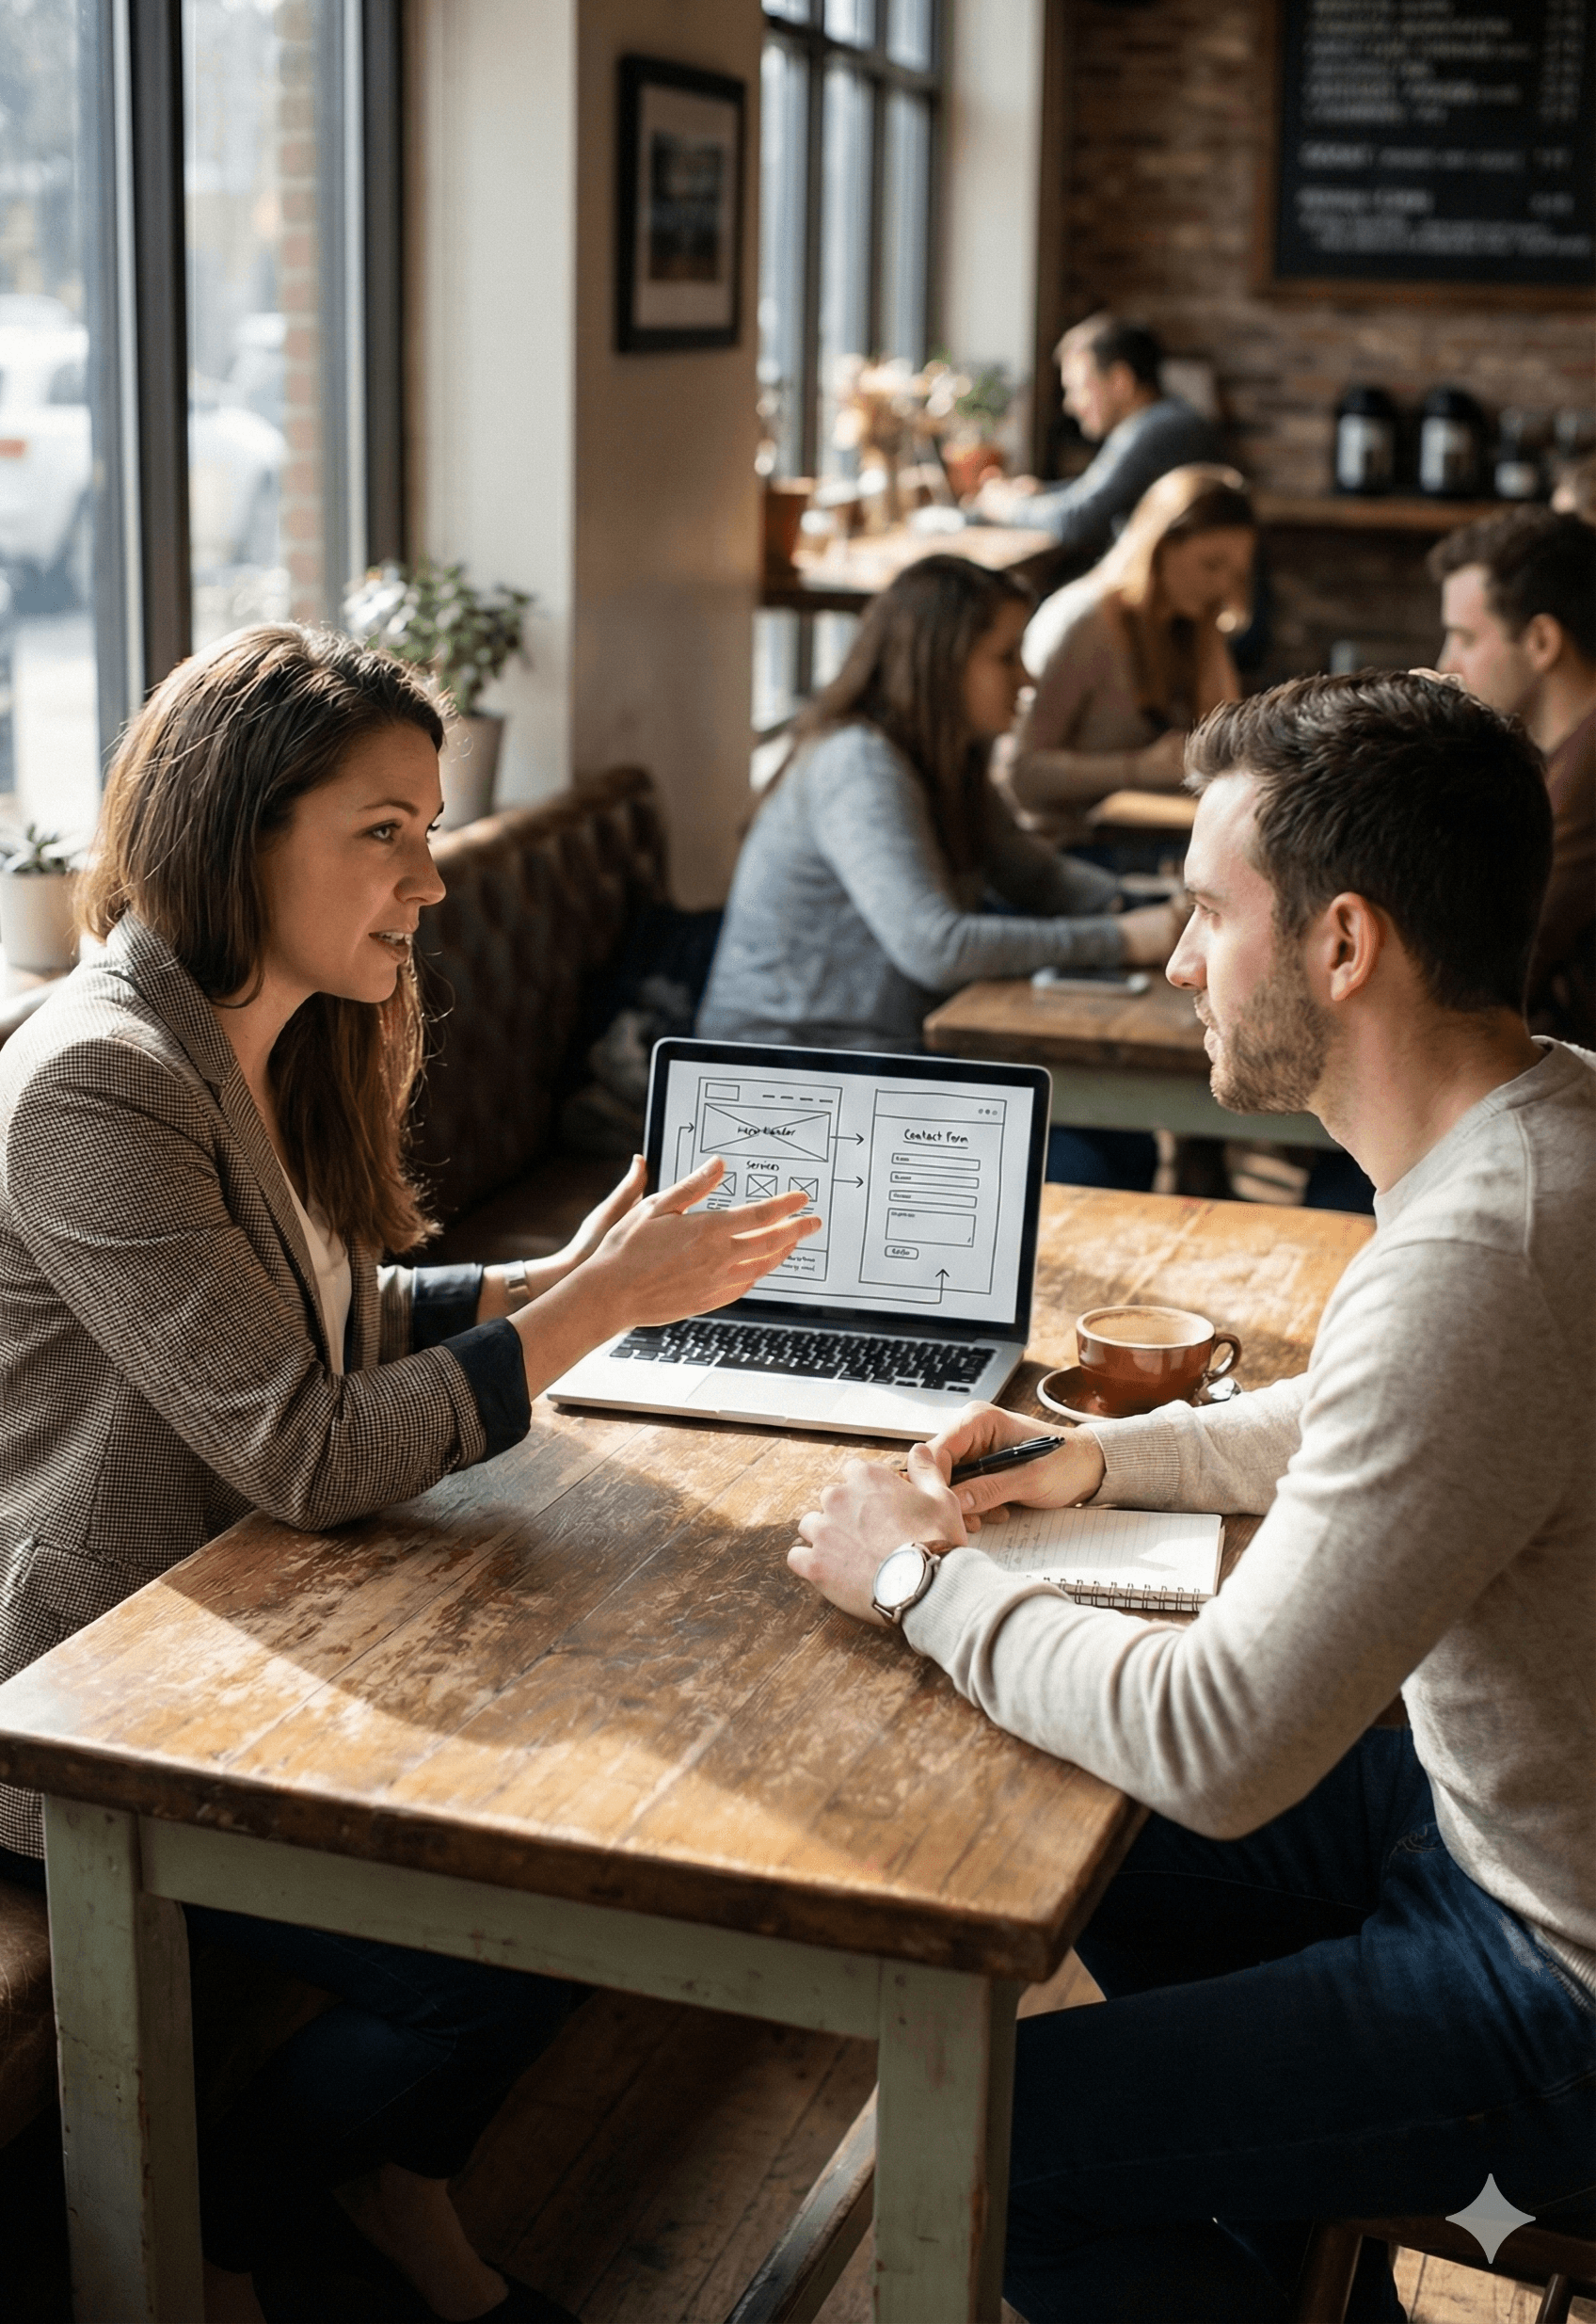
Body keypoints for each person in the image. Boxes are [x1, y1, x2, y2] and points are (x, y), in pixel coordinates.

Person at [0, 626, 819, 2324]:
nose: (430, 879)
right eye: (387, 829)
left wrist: (548, 1280)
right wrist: (599, 1308)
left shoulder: (255, 1034)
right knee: (511, 1927)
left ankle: (379, 2186)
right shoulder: (98, 1075)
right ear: (241, 830)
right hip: (78, 1680)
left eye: (431, 828)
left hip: (227, 1619)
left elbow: (325, 1318)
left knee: (586, 1851)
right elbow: (299, 1443)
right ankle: (231, 2216)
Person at [786, 670, 1595, 2324]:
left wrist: (915, 1581)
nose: (1171, 961)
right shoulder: (1542, 1118)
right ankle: (1287, 2233)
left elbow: (1221, 1743)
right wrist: (1095, 1456)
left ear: (1342, 943)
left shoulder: (1484, 1251)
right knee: (1066, 1840)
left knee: (988, 2140)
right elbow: (1368, 1414)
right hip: (1501, 1826)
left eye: (1206, 912)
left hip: (1555, 1975)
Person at [695, 555, 1184, 1188]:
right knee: (1086, 1164)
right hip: (790, 1092)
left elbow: (1035, 877)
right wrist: (1126, 937)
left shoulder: (944, 757)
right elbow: (936, 947)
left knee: (1120, 1147)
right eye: (1006, 656)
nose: (1027, 676)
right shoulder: (860, 764)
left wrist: (1148, 906)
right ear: (940, 662)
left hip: (876, 1065)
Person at [996, 464, 1256, 851]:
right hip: (1069, 843)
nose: (1222, 585)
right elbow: (1020, 775)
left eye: (1234, 573)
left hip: (1144, 833)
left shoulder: (1196, 621)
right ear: (1160, 547)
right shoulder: (1084, 624)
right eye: (1211, 565)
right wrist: (1138, 769)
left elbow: (1225, 741)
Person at [1430, 505, 1596, 1047]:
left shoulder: (1587, 776)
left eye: (1466, 639)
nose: (1445, 663)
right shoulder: (1559, 762)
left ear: (1542, 642)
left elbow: (1494, 973)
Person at [970, 313, 1218, 558]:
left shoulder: (1154, 429)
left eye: (1077, 389)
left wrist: (1008, 507)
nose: (1069, 405)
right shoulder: (1170, 418)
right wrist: (1044, 493)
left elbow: (1078, 521)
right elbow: (1103, 493)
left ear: (1120, 381)